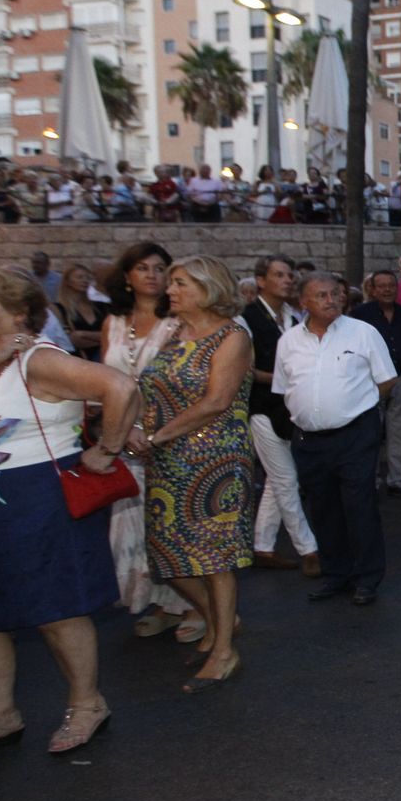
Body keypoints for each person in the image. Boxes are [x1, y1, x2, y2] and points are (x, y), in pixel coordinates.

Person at [0, 268, 141, 753]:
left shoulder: (39, 360)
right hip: (4, 501)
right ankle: (1, 712)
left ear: (19, 312)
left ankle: (87, 704)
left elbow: (121, 388)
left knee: (55, 609)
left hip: (39, 498)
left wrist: (107, 450)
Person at [128, 255, 254, 693]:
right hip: (166, 461)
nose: (170, 290)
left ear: (208, 286)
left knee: (215, 558)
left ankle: (223, 651)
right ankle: (220, 622)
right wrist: (138, 428)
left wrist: (157, 436)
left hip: (216, 462)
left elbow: (217, 400)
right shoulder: (174, 333)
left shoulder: (233, 336)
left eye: (180, 282)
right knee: (170, 555)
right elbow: (149, 389)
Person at [275, 274, 397, 606]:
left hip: (355, 435)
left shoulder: (362, 333)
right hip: (309, 441)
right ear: (303, 302)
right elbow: (284, 387)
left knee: (360, 507)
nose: (330, 300)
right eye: (321, 295)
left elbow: (387, 381)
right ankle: (336, 574)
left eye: (334, 294)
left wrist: (357, 406)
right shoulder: (288, 341)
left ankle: (368, 578)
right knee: (323, 508)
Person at [99, 242, 199, 638]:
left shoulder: (179, 323)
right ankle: (162, 603)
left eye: (160, 268)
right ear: (127, 276)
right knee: (136, 530)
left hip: (169, 435)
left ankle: (197, 606)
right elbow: (104, 383)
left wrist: (154, 432)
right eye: (143, 268)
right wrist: (120, 431)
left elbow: (186, 385)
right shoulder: (113, 323)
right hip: (123, 437)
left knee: (174, 528)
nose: (152, 275)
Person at [240, 255, 321, 575]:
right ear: (261, 280)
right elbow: (244, 369)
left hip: (290, 410)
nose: (288, 280)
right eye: (279, 275)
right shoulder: (246, 319)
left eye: (289, 275)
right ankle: (308, 549)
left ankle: (262, 545)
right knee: (286, 479)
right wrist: (285, 377)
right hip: (261, 408)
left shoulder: (294, 317)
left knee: (279, 479)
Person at [351, 270, 401, 498]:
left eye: (391, 285)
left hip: (400, 377)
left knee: (398, 431)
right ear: (372, 289)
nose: (387, 289)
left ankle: (396, 481)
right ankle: (370, 480)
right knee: (371, 430)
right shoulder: (360, 314)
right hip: (371, 380)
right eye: (381, 285)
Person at [54, 264, 108, 362]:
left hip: (106, 358)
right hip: (80, 361)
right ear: (68, 281)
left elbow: (113, 334)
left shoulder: (101, 306)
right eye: (79, 277)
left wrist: (83, 334)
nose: (85, 280)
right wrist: (103, 339)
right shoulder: (60, 309)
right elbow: (73, 340)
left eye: (88, 278)